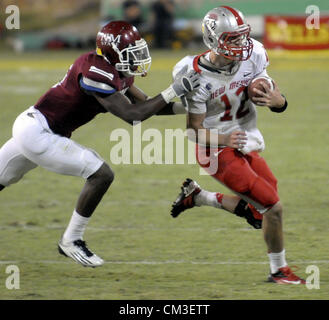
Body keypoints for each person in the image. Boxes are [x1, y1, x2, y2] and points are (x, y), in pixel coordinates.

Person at [0, 21, 199, 268]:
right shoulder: (96, 71)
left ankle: (70, 240)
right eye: (131, 52)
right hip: (38, 132)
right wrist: (173, 90)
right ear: (114, 51)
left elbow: (147, 106)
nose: (138, 57)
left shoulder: (115, 70)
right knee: (101, 174)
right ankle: (71, 240)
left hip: (36, 128)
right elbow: (132, 115)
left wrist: (191, 107)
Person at [170, 6, 305, 284]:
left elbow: (272, 93)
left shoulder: (253, 54)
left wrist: (277, 100)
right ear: (212, 39)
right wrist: (223, 139)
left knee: (260, 213)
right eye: (231, 38)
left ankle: (197, 197)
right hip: (215, 149)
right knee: (273, 208)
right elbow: (193, 132)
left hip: (243, 141)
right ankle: (279, 271)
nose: (241, 44)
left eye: (242, 36)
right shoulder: (192, 73)